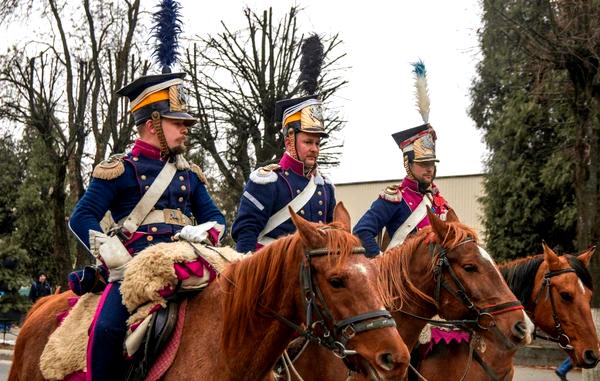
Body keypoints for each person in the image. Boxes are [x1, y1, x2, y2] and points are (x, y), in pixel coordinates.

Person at [69, 71, 226, 380]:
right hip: (133, 272)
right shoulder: (120, 170)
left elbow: (218, 218)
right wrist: (116, 259)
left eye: (185, 124)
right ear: (153, 123)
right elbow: (81, 217)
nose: (184, 131)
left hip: (185, 264)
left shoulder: (190, 175)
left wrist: (205, 231)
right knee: (106, 328)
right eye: (177, 123)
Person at [231, 35, 335, 253]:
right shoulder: (268, 181)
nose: (314, 148)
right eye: (308, 141)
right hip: (273, 274)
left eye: (317, 143)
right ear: (289, 139)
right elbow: (246, 231)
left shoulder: (325, 187)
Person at [353, 61, 449, 257]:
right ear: (408, 164)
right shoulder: (395, 198)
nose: (429, 169)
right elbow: (362, 231)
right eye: (422, 164)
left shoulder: (437, 201)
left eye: (431, 164)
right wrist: (382, 264)